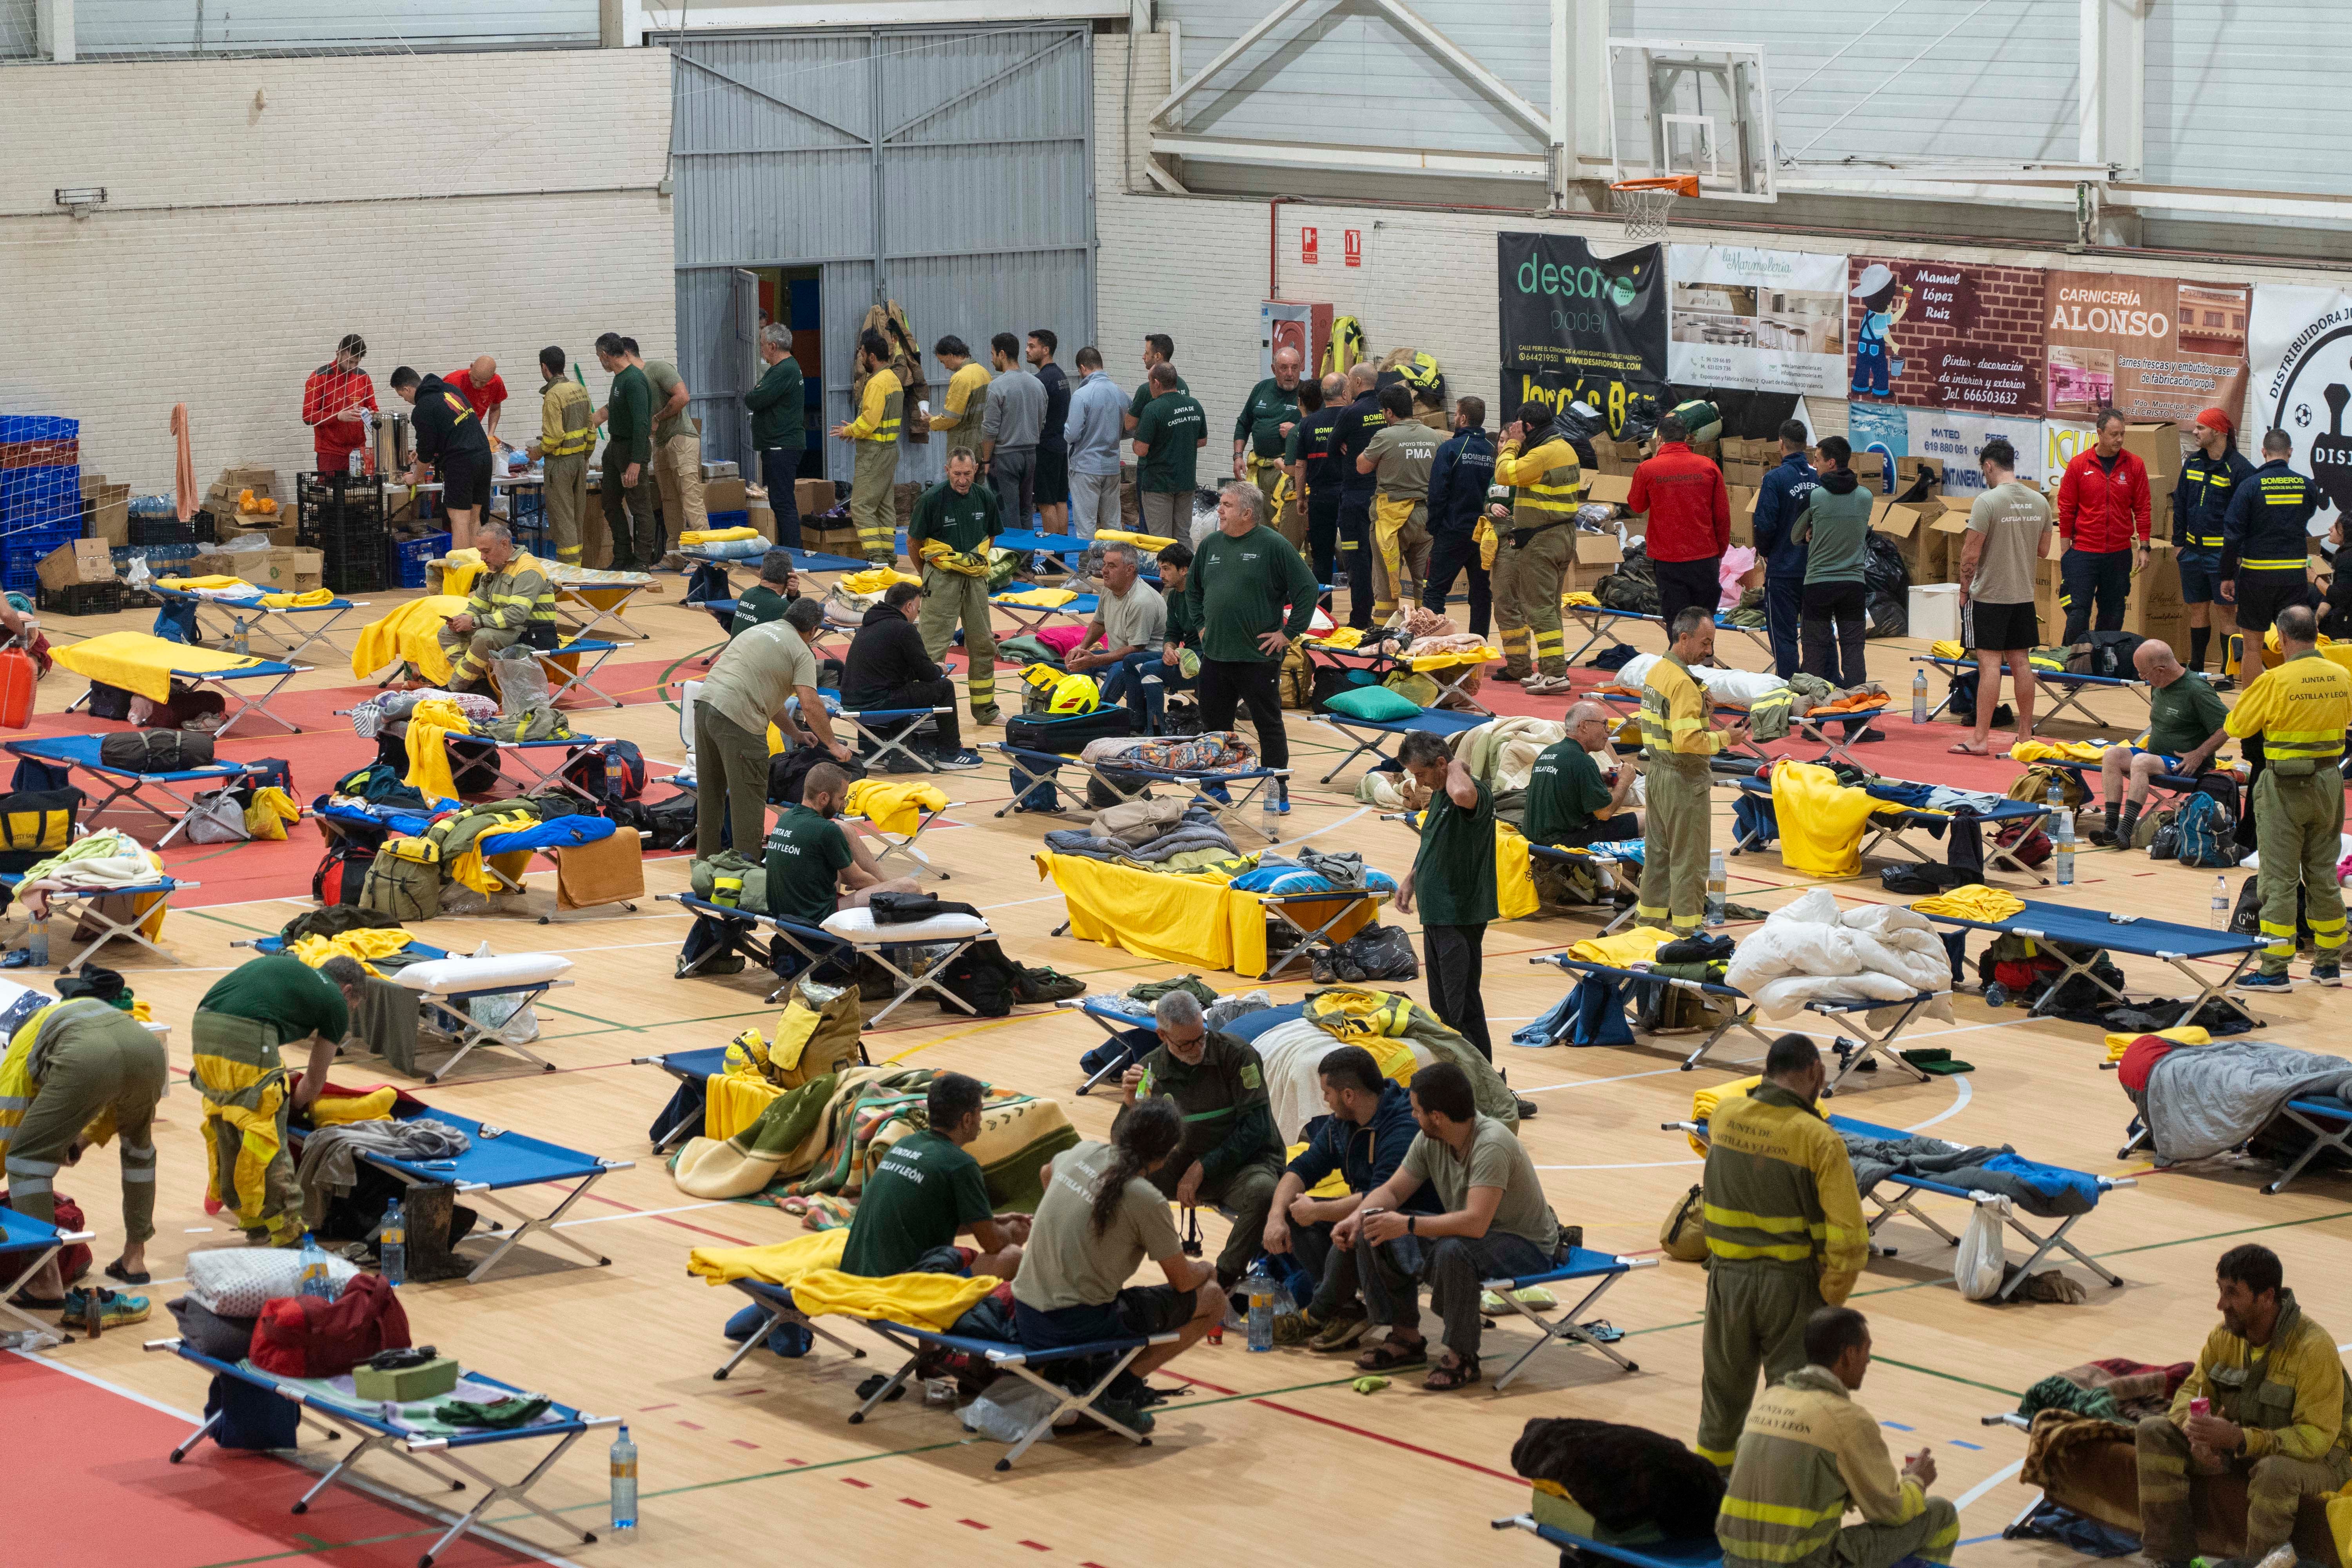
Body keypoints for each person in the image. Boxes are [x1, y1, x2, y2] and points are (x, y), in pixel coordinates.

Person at [1338, 1060, 1568, 1392]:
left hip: (1525, 1244)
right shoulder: (1430, 1139)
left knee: (1453, 1251)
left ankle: (1463, 1356)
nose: (1412, 1116)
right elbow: (1393, 1190)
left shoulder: (1491, 1144)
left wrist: (1407, 1225)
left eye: (1417, 1110)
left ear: (1437, 1116)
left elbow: (1475, 1224)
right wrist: (1356, 1218)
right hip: (1472, 1235)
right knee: (1376, 1228)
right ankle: (1406, 1338)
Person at [1694, 1034, 1868, 1470]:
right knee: (1790, 1406)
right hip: (1791, 1288)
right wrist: (1831, 1297)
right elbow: (1850, 1239)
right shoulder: (1819, 1139)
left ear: (1767, 1069)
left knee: (1722, 1399)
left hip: (1727, 1281)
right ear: (1816, 1073)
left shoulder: (1725, 1117)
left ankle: (1712, 1496)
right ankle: (1776, 1495)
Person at [1012, 1096, 1224, 1434]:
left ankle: (1090, 1374)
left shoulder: (1083, 1152)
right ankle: (1115, 1390)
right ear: (1167, 1154)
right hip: (1070, 1324)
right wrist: (1207, 1268)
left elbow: (1047, 1172)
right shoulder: (1146, 1199)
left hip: (1025, 1313)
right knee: (1213, 1299)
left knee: (1120, 1297)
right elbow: (1183, 1282)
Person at [2133, 1244, 2352, 1566]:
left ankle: (2258, 1565)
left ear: (2266, 1297)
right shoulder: (2224, 1338)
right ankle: (2170, 1560)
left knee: (2274, 1472)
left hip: (2324, 1460)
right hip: (2246, 1446)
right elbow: (2193, 1390)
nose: (2221, 1304)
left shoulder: (2313, 1349)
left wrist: (2239, 1439)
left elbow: (2315, 1439)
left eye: (2233, 1293)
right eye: (2221, 1291)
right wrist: (2195, 1431)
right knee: (2153, 1431)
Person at [1717, 1307, 1958, 1568]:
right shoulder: (1847, 1420)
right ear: (1848, 1355)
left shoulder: (1768, 1399)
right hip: (1804, 1564)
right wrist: (1916, 1480)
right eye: (1867, 1350)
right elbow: (1893, 1512)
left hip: (1735, 1561)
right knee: (1941, 1514)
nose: (1868, 1361)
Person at [0, 997, 171, 1324]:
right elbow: (112, 1096)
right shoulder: (79, 1009)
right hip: (147, 1050)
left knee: (25, 1161)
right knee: (139, 1149)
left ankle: (44, 1281)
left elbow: (8, 1120)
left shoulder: (24, 1043)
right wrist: (78, 1142)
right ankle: (135, 1258)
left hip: (87, 1057)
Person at [1261, 1045, 1437, 1352]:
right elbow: (1302, 1168)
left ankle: (1318, 1314)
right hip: (1370, 1215)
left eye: (1327, 1093)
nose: (1325, 1101)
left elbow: (1382, 1197)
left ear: (1348, 1095)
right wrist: (1277, 1215)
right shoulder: (1342, 1124)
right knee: (1294, 1211)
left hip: (1415, 1221)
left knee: (1359, 1226)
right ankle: (1344, 1310)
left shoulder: (1402, 1126)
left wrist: (1318, 1210)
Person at [191, 953, 372, 1250]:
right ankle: (290, 1234)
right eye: (354, 1006)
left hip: (203, 1027)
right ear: (348, 991)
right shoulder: (336, 1001)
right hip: (247, 1033)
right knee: (266, 1138)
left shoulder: (297, 975)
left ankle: (255, 1224)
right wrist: (291, 1108)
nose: (350, 1011)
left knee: (229, 1124)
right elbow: (315, 1080)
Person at [1120, 991, 1284, 1292]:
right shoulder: (1150, 1070)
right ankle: (1111, 1280)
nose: (1197, 1049)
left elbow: (1256, 1129)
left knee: (1264, 1192)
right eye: (1186, 1043)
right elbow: (1123, 1145)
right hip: (1178, 1168)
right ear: (1162, 1035)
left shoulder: (1237, 1055)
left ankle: (1221, 1281)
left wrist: (1202, 1169)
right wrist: (1132, 1105)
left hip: (1241, 1166)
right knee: (1118, 1186)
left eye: (1202, 1037)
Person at [2227, 604, 2349, 989]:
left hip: (2284, 788)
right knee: (2323, 875)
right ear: (2316, 632)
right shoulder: (2342, 675)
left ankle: (2274, 968)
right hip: (2330, 783)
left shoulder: (2274, 681)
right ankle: (2329, 964)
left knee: (2278, 879)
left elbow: (2238, 724)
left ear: (2280, 638)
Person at [1188, 480, 1319, 805]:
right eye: (1221, 504)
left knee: (1268, 726)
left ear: (1247, 513)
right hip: (1216, 655)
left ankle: (1277, 792)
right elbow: (1193, 591)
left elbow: (1308, 588)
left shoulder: (1273, 545)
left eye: (1227, 506)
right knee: (1214, 728)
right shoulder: (1210, 546)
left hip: (1258, 658)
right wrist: (1202, 626)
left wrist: (1289, 633)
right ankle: (1216, 787)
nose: (1219, 510)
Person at [694, 596, 849, 860]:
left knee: (710, 799)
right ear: (812, 631)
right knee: (748, 807)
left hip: (704, 707)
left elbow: (770, 698)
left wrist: (795, 734)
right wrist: (833, 745)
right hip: (738, 720)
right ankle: (746, 877)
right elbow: (810, 705)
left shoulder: (756, 631)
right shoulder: (802, 651)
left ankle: (704, 871)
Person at [840, 1072, 1027, 1281]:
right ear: (967, 1119)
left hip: (853, 1272)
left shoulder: (904, 1144)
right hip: (897, 1284)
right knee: (1012, 1257)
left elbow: (922, 1222)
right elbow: (992, 1243)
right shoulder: (961, 1164)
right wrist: (1013, 1233)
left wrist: (990, 1221)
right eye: (980, 1112)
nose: (981, 1120)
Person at [1639, 609, 1748, 936]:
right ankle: (1687, 934)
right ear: (1683, 638)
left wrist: (1701, 704)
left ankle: (1647, 929)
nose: (1710, 651)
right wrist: (1728, 737)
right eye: (1705, 642)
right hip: (1683, 780)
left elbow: (1668, 721)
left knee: (1657, 858)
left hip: (1656, 775)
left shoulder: (1657, 672)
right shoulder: (1684, 684)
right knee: (1690, 862)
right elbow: (1687, 740)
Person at [1394, 729, 1497, 1058]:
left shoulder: (1467, 790)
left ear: (1441, 763)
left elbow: (1464, 795)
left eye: (1423, 774)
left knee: (1462, 1004)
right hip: (1437, 913)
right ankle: (1461, 1081)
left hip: (1459, 913)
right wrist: (1413, 878)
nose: (1421, 783)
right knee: (1443, 1005)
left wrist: (1456, 766)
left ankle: (1489, 1088)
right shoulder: (1441, 791)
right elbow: (1434, 840)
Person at [1952, 438, 2051, 756]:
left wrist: (1965, 588)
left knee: (1990, 665)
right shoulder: (2041, 502)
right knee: (2021, 663)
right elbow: (2044, 550)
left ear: (1989, 466)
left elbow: (1971, 552)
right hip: (2022, 595)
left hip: (1991, 595)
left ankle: (1980, 739)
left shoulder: (1987, 501)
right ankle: (2024, 735)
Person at [2091, 641, 2230, 846]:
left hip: (2185, 764)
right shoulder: (2159, 686)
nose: (2142, 679)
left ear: (2161, 670)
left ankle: (2126, 831)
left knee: (2141, 762)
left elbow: (2228, 726)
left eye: (2144, 674)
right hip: (2157, 757)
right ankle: (2111, 826)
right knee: (2112, 755)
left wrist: (2200, 753)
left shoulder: (2197, 691)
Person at [1490, 399, 1586, 693]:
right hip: (1563, 534)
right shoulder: (1565, 448)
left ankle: (1556, 673)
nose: (1518, 432)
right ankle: (1549, 669)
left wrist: (1512, 445)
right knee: (1550, 607)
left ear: (1527, 427)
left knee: (1538, 609)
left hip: (1542, 540)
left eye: (1519, 427)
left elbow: (1503, 475)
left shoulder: (1542, 455)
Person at [1789, 436, 1878, 741]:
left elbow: (1795, 536)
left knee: (1813, 655)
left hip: (1817, 586)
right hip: (1853, 585)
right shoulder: (1866, 497)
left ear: (1831, 463)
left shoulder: (1815, 497)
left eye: (1817, 459)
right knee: (1854, 654)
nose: (1813, 464)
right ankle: (1857, 725)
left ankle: (1814, 726)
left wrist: (1814, 529)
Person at [2221, 428, 2330, 680]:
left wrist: (2227, 575)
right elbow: (2306, 516)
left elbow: (2232, 536)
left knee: (2251, 649)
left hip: (2256, 577)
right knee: (2298, 648)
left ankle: (2250, 713)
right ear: (2290, 452)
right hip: (2293, 577)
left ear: (2264, 452)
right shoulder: (2307, 485)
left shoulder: (2250, 486)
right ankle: (2296, 702)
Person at [908, 448, 1003, 729]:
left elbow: (991, 536)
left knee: (983, 643)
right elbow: (914, 543)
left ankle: (986, 710)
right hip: (941, 580)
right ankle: (924, 713)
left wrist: (970, 565)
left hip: (975, 580)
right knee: (931, 647)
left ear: (976, 470)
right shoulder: (931, 499)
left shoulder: (984, 497)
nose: (963, 480)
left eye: (968, 474)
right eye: (957, 474)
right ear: (947, 470)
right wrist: (928, 575)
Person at [840, 581, 978, 769]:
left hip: (851, 702)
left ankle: (899, 752)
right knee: (944, 687)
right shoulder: (904, 629)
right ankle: (951, 752)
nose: (917, 614)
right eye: (918, 609)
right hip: (876, 703)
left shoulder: (868, 625)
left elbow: (892, 669)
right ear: (909, 606)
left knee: (903, 686)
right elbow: (929, 675)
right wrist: (940, 669)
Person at [764, 760, 920, 925]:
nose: (843, 805)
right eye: (842, 798)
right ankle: (920, 944)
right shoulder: (826, 831)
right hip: (816, 916)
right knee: (909, 887)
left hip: (784, 911)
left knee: (843, 828)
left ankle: (885, 885)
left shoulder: (785, 818)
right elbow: (858, 880)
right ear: (824, 797)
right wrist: (888, 891)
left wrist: (874, 885)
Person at [2054, 408, 2152, 644]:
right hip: (2083, 552)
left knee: (2113, 613)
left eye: (2123, 434)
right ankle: (2073, 663)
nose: (2119, 439)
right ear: (2100, 433)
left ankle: (2102, 661)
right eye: (2114, 434)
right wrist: (2065, 547)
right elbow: (2066, 508)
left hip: (2118, 554)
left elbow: (2143, 508)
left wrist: (2144, 547)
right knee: (2078, 612)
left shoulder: (2135, 465)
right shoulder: (2079, 465)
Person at [1627, 414, 1732, 631]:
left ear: (1659, 440)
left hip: (1669, 561)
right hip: (1705, 559)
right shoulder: (1709, 467)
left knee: (1677, 625)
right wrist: (1720, 554)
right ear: (1686, 438)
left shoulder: (1649, 468)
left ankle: (1680, 663)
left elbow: (1637, 506)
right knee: (1704, 623)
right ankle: (1705, 662)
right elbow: (1722, 516)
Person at [2174, 407, 2255, 679]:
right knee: (2197, 608)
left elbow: (2248, 519)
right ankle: (2196, 668)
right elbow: (2181, 505)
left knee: (2227, 612)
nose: (2195, 432)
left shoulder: (2241, 469)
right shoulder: (2193, 464)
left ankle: (2228, 671)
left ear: (2219, 432)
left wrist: (2237, 556)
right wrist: (2178, 546)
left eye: (2200, 428)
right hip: (2191, 553)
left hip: (2223, 556)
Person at [434, 523, 556, 692]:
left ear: (505, 544)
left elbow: (517, 614)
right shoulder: (493, 569)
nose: (482, 558)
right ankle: (480, 685)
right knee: (447, 633)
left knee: (484, 637)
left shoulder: (528, 569)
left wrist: (475, 623)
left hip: (531, 633)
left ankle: (455, 688)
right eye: (480, 552)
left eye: (487, 551)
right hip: (508, 629)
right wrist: (462, 619)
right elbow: (479, 605)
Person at [1356, 382, 1440, 622]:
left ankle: (1385, 638)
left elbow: (1362, 467)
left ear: (1389, 412)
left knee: (1386, 583)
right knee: (1424, 583)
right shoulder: (1433, 437)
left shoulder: (1385, 436)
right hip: (1425, 518)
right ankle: (1426, 634)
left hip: (1391, 520)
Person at [390, 365, 494, 553]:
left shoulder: (423, 408)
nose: (405, 400)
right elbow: (450, 429)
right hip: (484, 456)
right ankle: (479, 574)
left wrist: (415, 477)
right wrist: (422, 452)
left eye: (401, 395)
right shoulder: (450, 390)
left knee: (460, 521)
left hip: (461, 462)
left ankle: (463, 574)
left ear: (407, 389)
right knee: (474, 518)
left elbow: (428, 451)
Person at [1098, 537, 1196, 733]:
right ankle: (1136, 723)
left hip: (1202, 658)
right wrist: (1169, 649)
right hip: (1182, 655)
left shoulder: (1200, 596)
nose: (1161, 575)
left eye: (1166, 569)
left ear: (1184, 570)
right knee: (1131, 661)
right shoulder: (1175, 596)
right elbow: (1173, 633)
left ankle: (1154, 729)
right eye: (1160, 569)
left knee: (1147, 668)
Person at [1750, 421, 1819, 679]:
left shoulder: (1774, 479)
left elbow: (1764, 523)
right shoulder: (1818, 477)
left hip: (1783, 570)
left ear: (1781, 444)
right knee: (1816, 637)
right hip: (1814, 571)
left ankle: (1790, 692)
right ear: (1806, 445)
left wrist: (1766, 552)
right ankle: (1819, 690)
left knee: (1784, 637)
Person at [831, 327, 905, 564]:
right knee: (883, 507)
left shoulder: (876, 383)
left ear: (872, 356)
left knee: (861, 507)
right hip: (889, 451)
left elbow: (869, 422)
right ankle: (888, 558)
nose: (861, 359)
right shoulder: (893, 379)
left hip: (873, 454)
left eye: (862, 354)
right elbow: (879, 421)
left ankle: (875, 559)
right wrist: (857, 429)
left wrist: (849, 430)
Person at [1422, 396, 1495, 634]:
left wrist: (1435, 527)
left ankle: (1430, 641)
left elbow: (1437, 493)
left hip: (1452, 532)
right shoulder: (1493, 452)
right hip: (1484, 535)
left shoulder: (1451, 448)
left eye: (1455, 414)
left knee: (1435, 591)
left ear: (1463, 419)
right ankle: (1478, 644)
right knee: (1481, 593)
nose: (1454, 418)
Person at [1523, 701, 1639, 847]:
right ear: (1584, 726)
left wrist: (1599, 779)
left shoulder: (1549, 752)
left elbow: (1568, 787)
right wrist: (1625, 782)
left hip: (1535, 839)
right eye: (1604, 724)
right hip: (1563, 841)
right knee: (1645, 821)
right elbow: (1605, 813)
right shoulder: (1583, 761)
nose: (1608, 730)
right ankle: (1636, 870)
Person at [593, 332, 659, 571]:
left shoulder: (634, 379)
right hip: (615, 447)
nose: (600, 363)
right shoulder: (619, 378)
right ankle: (622, 555)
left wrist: (636, 462)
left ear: (605, 355)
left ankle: (642, 562)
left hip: (632, 449)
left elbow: (643, 424)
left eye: (599, 358)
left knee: (640, 507)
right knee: (609, 502)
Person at [525, 346, 595, 568]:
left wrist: (536, 454)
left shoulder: (553, 395)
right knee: (577, 517)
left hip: (560, 465)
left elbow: (554, 438)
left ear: (545, 367)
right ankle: (579, 567)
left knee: (563, 519)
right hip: (579, 463)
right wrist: (585, 457)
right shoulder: (580, 389)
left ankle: (569, 572)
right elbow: (591, 431)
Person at [1065, 542, 1166, 687]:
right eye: (1104, 564)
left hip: (1147, 659)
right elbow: (1100, 623)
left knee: (1118, 670)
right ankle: (1083, 707)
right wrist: (1081, 647)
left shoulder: (1142, 601)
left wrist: (1097, 660)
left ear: (1129, 570)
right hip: (1118, 656)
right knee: (1077, 663)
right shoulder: (1109, 588)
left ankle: (1103, 708)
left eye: (1111, 566)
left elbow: (1136, 649)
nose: (1104, 571)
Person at [1329, 364, 1384, 629]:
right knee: (1383, 558)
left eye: (1349, 382)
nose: (1347, 388)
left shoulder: (1351, 412)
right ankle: (1388, 619)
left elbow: (1331, 448)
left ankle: (1361, 617)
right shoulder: (1388, 411)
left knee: (1355, 556)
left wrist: (1346, 445)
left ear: (1359, 381)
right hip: (1383, 498)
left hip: (1354, 499)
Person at [1292, 372, 1349, 609]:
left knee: (1322, 556)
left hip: (1320, 497)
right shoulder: (1351, 418)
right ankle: (1361, 610)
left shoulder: (1307, 424)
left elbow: (1300, 465)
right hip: (1349, 496)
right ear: (1345, 393)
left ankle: (1323, 611)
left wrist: (1300, 497)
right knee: (1356, 554)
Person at [746, 324, 806, 549]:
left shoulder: (784, 371)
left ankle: (793, 553)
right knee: (780, 502)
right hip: (778, 446)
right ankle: (788, 549)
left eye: (762, 346)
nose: (761, 351)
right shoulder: (783, 369)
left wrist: (757, 392)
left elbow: (755, 398)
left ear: (773, 346)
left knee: (783, 503)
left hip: (782, 446)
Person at [638, 346, 705, 548]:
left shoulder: (657, 369)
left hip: (681, 438)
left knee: (690, 495)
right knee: (669, 500)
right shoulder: (634, 382)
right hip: (660, 442)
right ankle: (675, 554)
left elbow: (683, 397)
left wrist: (658, 418)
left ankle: (705, 553)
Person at [1131, 363, 1206, 538]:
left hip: (1159, 484)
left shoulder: (1153, 409)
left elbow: (1141, 450)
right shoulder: (1194, 405)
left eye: (1150, 382)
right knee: (1182, 535)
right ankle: (1186, 566)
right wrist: (1179, 442)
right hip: (1186, 482)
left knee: (1160, 539)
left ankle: (1165, 567)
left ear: (1157, 383)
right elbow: (1202, 441)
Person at [980, 332, 1044, 530]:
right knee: (1026, 510)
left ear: (1001, 354)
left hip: (1005, 457)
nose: (991, 360)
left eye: (992, 354)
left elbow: (990, 429)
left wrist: (987, 461)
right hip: (1031, 455)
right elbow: (1041, 421)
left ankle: (1013, 559)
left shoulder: (997, 386)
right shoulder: (1038, 385)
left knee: (1008, 513)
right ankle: (1027, 560)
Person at [1062, 345, 1125, 539]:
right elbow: (1131, 428)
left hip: (1086, 469)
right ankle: (1117, 567)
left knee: (1086, 527)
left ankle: (1085, 568)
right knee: (1113, 526)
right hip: (1112, 467)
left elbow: (1071, 435)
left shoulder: (1082, 395)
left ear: (1082, 369)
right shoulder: (1120, 394)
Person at [1233, 346, 1304, 512]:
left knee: (1283, 520)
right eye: (1284, 368)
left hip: (1287, 469)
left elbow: (1321, 428)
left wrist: (1297, 431)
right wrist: (1238, 456)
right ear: (1274, 369)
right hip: (1258, 467)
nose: (1290, 373)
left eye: (1295, 367)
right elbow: (1243, 424)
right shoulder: (1261, 389)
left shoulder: (1308, 393)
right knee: (1257, 518)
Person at [302, 332, 377, 477]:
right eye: (349, 362)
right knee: (332, 496)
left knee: (360, 496)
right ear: (339, 353)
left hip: (358, 451)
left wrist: (371, 414)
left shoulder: (363, 377)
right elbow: (308, 416)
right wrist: (338, 416)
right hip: (330, 453)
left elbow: (373, 408)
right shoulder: (319, 377)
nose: (353, 367)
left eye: (357, 363)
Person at [1028, 329, 1071, 535]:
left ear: (1046, 350)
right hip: (1061, 446)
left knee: (1046, 503)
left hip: (1045, 448)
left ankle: (1050, 556)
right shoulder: (1061, 375)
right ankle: (1060, 552)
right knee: (1060, 500)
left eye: (1032, 346)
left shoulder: (1042, 380)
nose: (1027, 350)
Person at [927, 335, 991, 458]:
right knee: (978, 474)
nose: (945, 366)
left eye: (943, 361)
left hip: (965, 441)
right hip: (984, 438)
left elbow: (951, 418)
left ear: (951, 355)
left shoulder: (961, 378)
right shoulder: (984, 372)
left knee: (961, 476)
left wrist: (932, 421)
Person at [728, 547, 800, 638]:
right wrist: (793, 597)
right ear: (791, 574)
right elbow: (799, 637)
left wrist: (793, 596)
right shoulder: (781, 606)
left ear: (761, 571)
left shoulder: (746, 595)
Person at [1122, 333, 1184, 433]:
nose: (1143, 357)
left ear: (1158, 356)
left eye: (1147, 353)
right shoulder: (1183, 384)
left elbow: (1129, 425)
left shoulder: (1146, 390)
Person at [444, 356, 510, 446]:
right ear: (471, 367)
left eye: (483, 382)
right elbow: (437, 412)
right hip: (447, 434)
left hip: (471, 433)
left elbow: (495, 408)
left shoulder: (496, 383)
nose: (477, 385)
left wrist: (491, 435)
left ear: (493, 376)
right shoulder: (453, 381)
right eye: (475, 379)